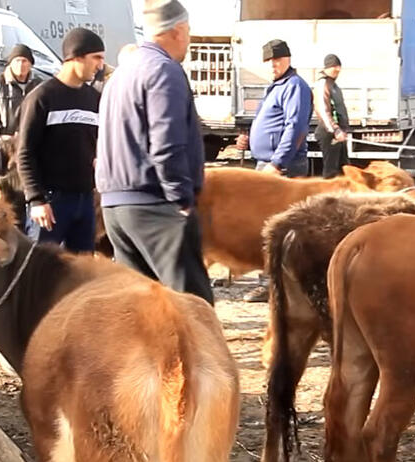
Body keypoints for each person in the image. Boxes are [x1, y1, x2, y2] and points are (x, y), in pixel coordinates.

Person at [96, 0, 214, 305]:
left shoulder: (120, 75)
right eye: (188, 32)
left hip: (116, 207)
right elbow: (167, 142)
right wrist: (181, 199)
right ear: (178, 30)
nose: (188, 40)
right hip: (154, 204)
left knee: (141, 313)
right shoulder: (164, 71)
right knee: (192, 308)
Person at [17, 28, 104, 253]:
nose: (100, 65)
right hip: (51, 202)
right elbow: (25, 152)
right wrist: (36, 200)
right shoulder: (42, 97)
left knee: (82, 272)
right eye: (97, 57)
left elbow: (95, 145)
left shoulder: (94, 98)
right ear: (76, 58)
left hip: (85, 200)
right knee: (39, 272)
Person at [235, 39, 313, 178]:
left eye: (277, 59)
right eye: (268, 60)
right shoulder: (276, 87)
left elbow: (296, 127)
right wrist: (249, 140)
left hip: (283, 168)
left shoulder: (294, 86)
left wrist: (278, 163)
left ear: (288, 59)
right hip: (269, 164)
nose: (272, 64)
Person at [0, 44, 43, 136]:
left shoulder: (38, 84)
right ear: (10, 63)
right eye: (17, 61)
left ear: (30, 64)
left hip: (31, 139)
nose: (20, 65)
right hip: (5, 141)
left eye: (24, 61)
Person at [314, 53, 350, 178]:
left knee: (344, 168)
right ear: (327, 68)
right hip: (328, 132)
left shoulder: (334, 86)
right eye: (335, 66)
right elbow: (323, 110)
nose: (338, 69)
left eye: (339, 66)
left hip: (338, 132)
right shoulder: (322, 84)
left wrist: (343, 129)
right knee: (331, 171)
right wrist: (335, 130)